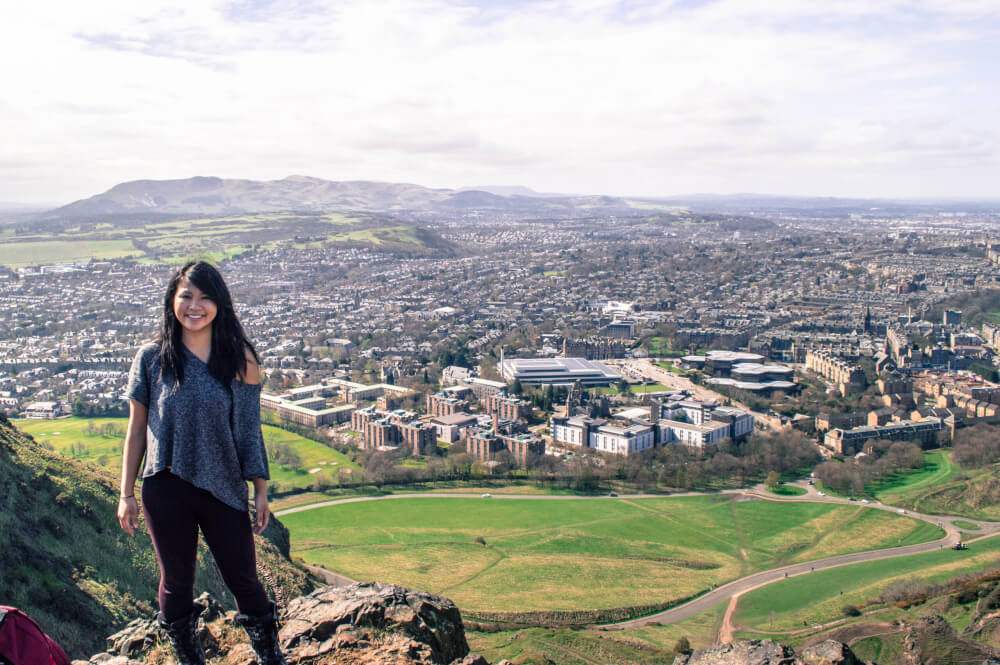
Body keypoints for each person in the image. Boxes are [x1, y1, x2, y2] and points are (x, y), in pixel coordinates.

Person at [117, 261, 286, 665]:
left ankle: (270, 656)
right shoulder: (152, 357)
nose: (195, 306)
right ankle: (189, 658)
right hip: (166, 485)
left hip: (224, 486)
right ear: (172, 301)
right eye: (186, 296)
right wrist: (126, 493)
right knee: (176, 583)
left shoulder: (239, 358)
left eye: (205, 297)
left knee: (243, 579)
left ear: (220, 303)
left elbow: (248, 430)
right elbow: (137, 428)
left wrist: (261, 490)